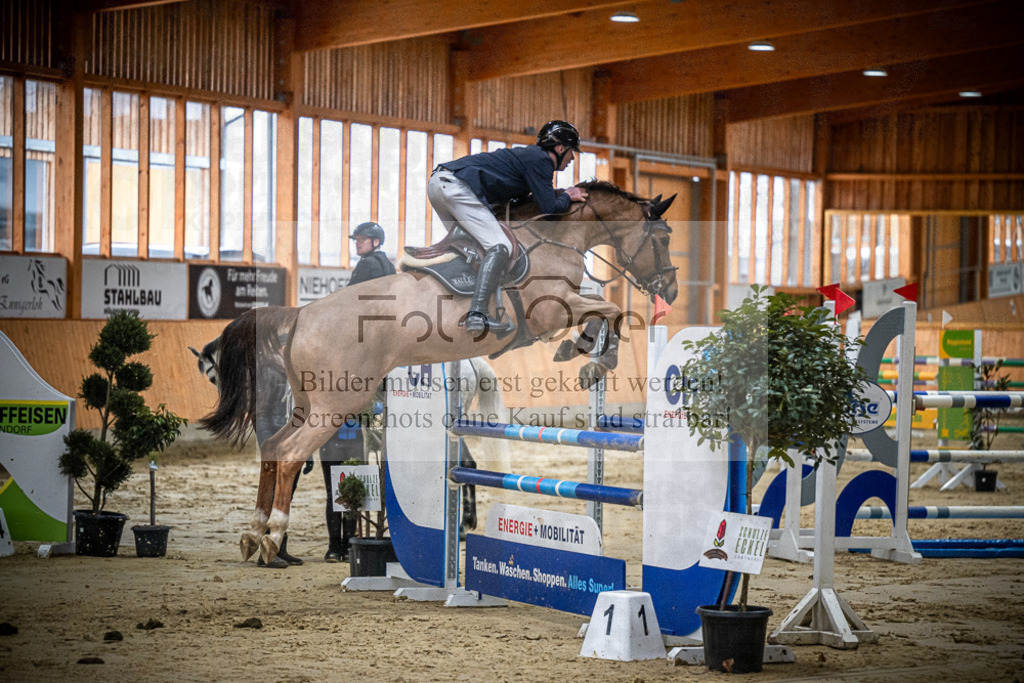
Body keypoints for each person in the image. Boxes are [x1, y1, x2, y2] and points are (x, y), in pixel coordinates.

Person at [426, 120, 589, 336]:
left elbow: (527, 201)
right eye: (572, 152)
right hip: (456, 186)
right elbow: (549, 209)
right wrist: (568, 195)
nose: (572, 158)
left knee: (476, 248)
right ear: (560, 148)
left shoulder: (530, 158)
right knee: (500, 245)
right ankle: (477, 314)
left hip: (440, 185)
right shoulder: (542, 161)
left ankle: (466, 305)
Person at [318, 222, 396, 562]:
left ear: (374, 242)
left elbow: (349, 298)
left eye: (361, 240)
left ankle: (337, 545)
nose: (357, 244)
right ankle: (351, 541)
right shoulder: (389, 265)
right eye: (357, 240)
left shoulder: (368, 264)